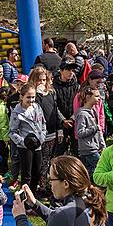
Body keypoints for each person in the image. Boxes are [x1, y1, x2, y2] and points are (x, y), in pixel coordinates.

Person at [28, 66, 64, 198]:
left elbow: (55, 111)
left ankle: (46, 185)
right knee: (40, 161)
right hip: (39, 133)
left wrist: (60, 129)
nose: (42, 83)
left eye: (43, 80)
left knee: (48, 160)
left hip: (52, 131)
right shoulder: (33, 96)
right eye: (39, 80)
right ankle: (41, 186)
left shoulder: (51, 93)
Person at [9, 83, 46, 194]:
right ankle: (25, 198)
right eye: (28, 97)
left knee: (37, 172)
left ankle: (33, 196)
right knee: (27, 175)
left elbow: (43, 123)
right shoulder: (17, 113)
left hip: (38, 145)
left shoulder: (37, 107)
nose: (31, 99)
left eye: (33, 97)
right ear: (21, 97)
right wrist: (23, 142)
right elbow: (12, 132)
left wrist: (42, 137)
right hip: (25, 148)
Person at [74, 83, 105, 180]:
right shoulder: (83, 114)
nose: (99, 98)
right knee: (97, 171)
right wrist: (94, 128)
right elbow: (80, 132)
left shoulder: (93, 111)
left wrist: (101, 144)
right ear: (88, 97)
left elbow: (98, 131)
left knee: (90, 172)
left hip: (94, 148)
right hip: (88, 149)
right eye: (96, 96)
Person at [53, 59, 79, 155]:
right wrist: (62, 120)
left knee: (76, 150)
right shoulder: (54, 87)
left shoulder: (76, 86)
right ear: (61, 71)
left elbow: (79, 104)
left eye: (72, 70)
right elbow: (53, 105)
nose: (71, 72)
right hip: (59, 124)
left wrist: (73, 118)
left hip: (74, 122)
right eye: (68, 70)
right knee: (59, 150)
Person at [6, 74, 28, 189]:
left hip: (27, 132)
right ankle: (14, 179)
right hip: (15, 132)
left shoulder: (31, 98)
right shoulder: (11, 99)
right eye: (18, 84)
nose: (19, 87)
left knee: (27, 157)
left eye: (22, 84)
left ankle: (25, 180)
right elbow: (8, 116)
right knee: (15, 156)